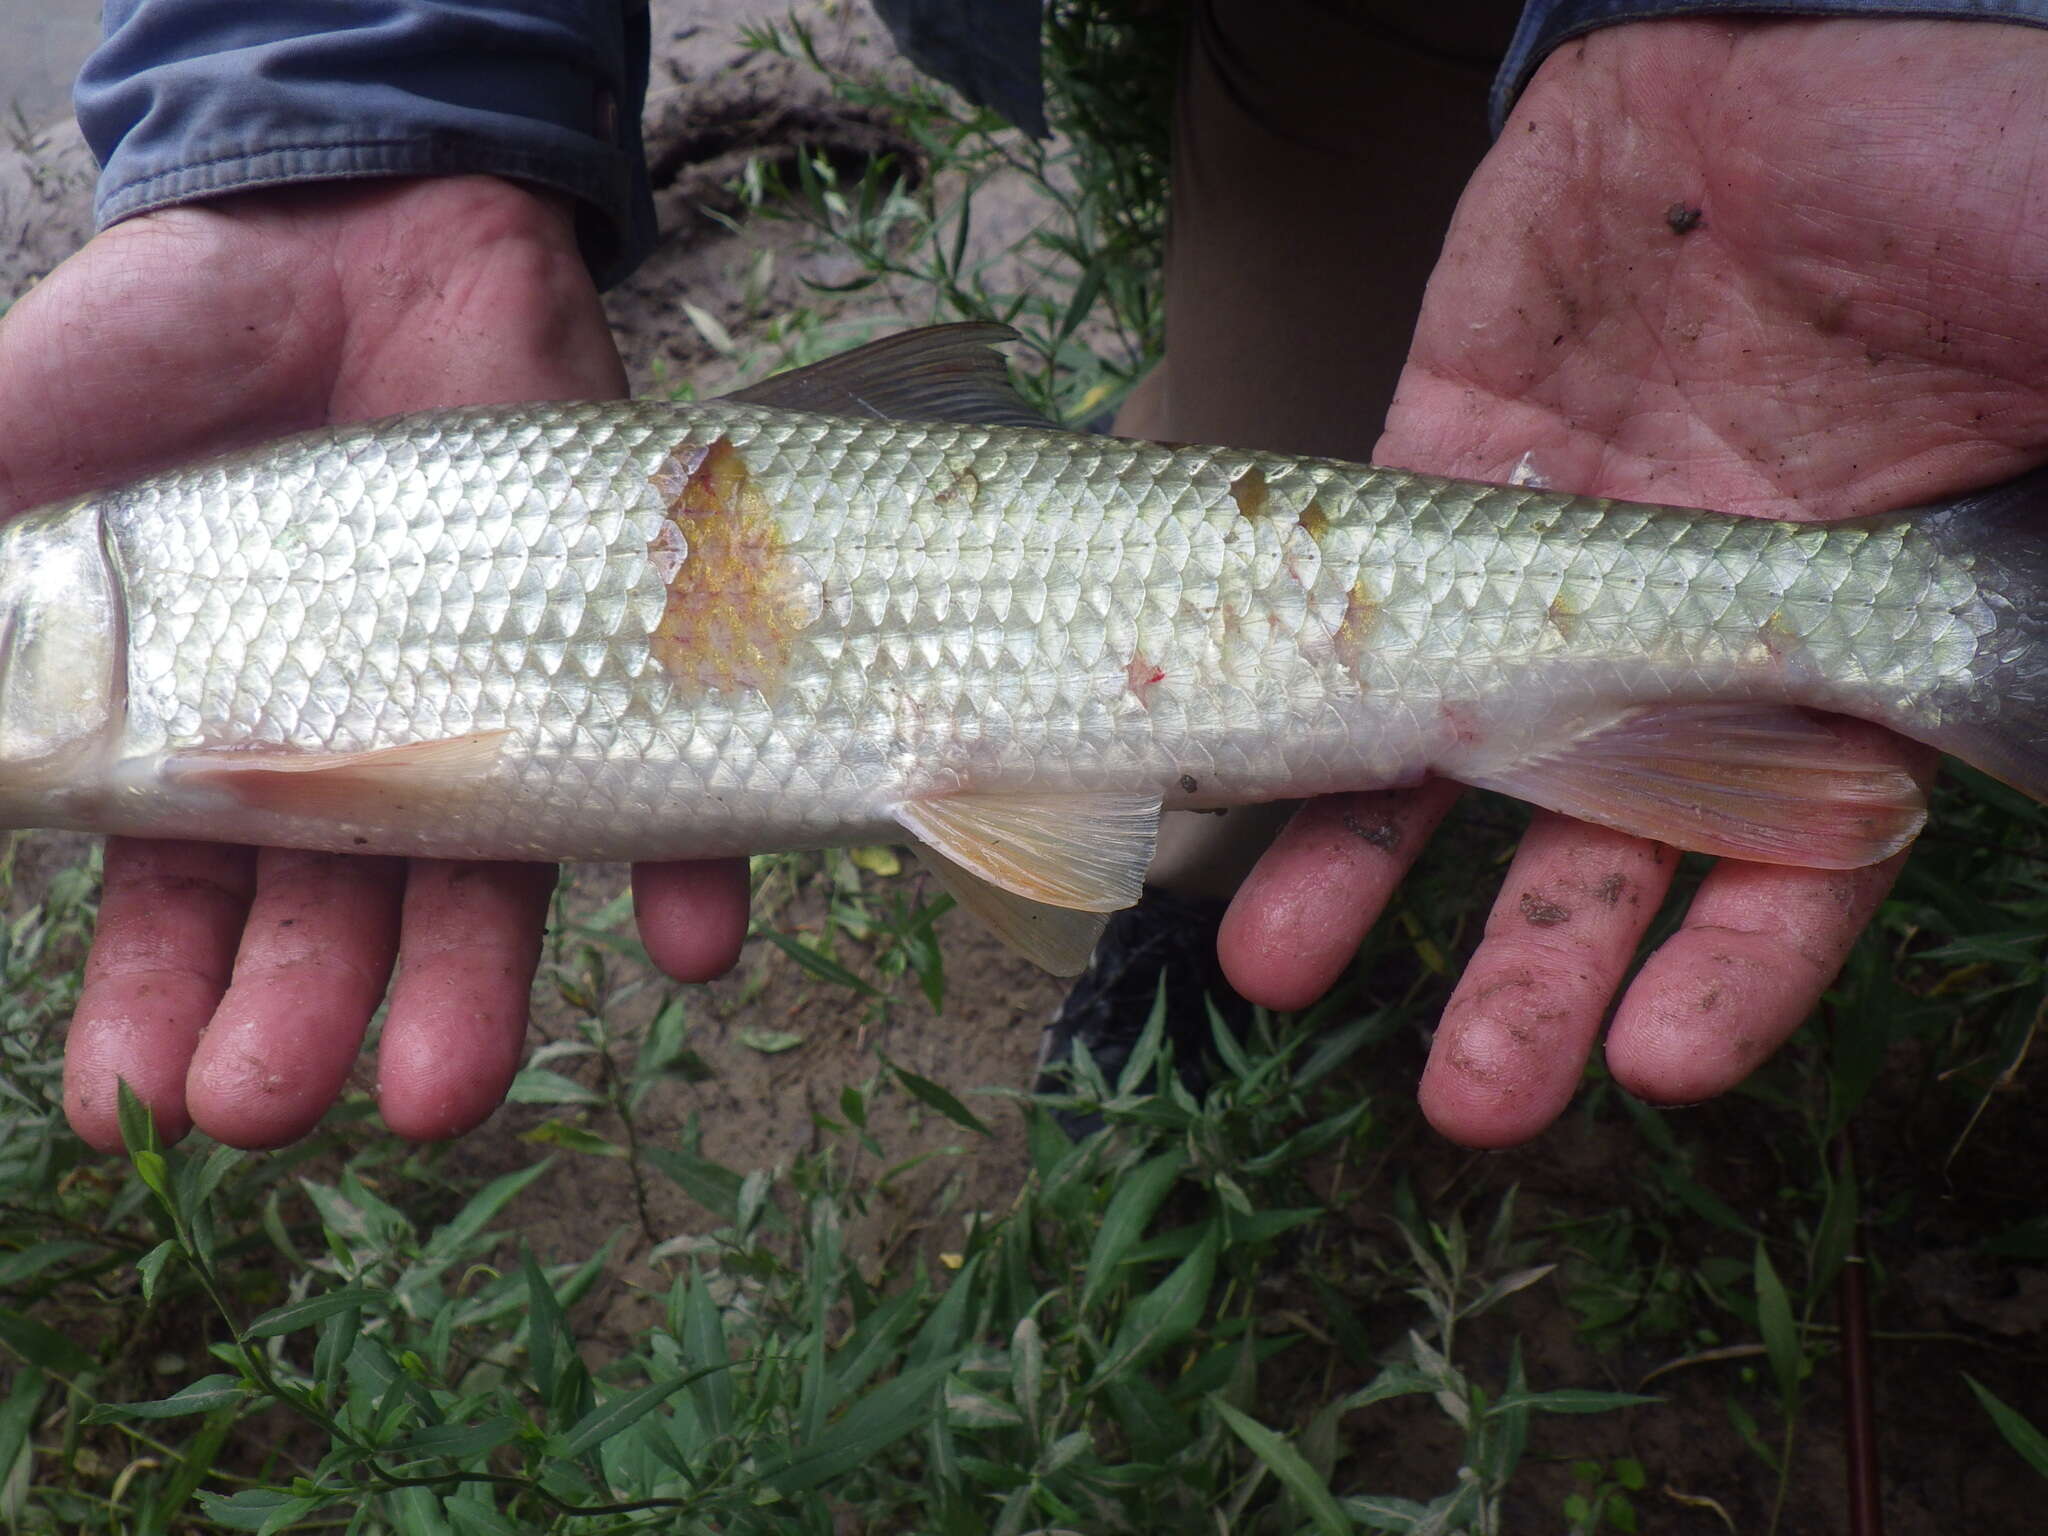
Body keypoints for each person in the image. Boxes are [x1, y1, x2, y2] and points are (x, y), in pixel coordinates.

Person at [9, 1, 2045, 1157]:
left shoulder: (190, 643)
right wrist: (349, 112)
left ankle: (1931, 625)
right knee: (1328, 375)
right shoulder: (181, 582)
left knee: (1412, 466)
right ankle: (1231, 880)